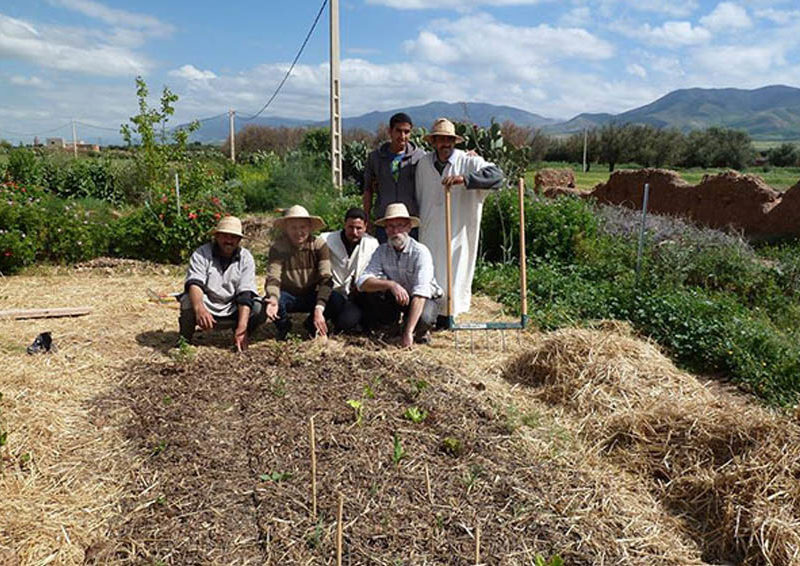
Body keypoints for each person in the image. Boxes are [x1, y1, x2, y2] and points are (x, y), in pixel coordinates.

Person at [415, 118, 504, 321]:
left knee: (455, 270)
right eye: (440, 139)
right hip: (430, 230)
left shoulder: (467, 161)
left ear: (455, 142)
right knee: (431, 271)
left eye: (449, 139)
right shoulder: (423, 164)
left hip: (458, 229)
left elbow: (497, 176)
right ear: (433, 142)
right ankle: (430, 315)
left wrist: (465, 179)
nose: (445, 144)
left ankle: (450, 314)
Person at [356, 203, 442, 348]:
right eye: (390, 226)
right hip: (398, 298)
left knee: (424, 319)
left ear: (409, 227)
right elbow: (362, 281)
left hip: (424, 298)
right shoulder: (381, 251)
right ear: (385, 229)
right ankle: (391, 327)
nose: (395, 231)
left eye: (400, 226)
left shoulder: (421, 252)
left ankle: (416, 330)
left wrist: (408, 332)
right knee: (372, 293)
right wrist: (391, 285)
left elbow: (421, 294)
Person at [264, 205, 352, 340]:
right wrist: (273, 299)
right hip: (288, 295)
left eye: (302, 227)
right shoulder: (278, 248)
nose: (298, 232)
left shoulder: (319, 245)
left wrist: (319, 307)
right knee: (271, 300)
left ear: (309, 228)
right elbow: (273, 277)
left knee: (336, 299)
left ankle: (311, 325)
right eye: (293, 227)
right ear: (286, 229)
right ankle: (284, 327)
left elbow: (326, 278)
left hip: (311, 293)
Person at [180, 215, 264, 351]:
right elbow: (194, 283)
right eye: (225, 236)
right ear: (217, 236)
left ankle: (241, 335)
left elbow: (245, 293)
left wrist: (242, 326)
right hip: (207, 303)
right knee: (187, 300)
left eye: (233, 237)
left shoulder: (246, 258)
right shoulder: (201, 253)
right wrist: (200, 308)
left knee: (258, 307)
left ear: (239, 240)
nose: (229, 240)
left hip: (232, 305)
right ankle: (184, 341)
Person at [363, 112, 425, 243]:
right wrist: (366, 217)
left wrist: (469, 155)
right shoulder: (375, 158)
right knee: (385, 259)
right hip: (385, 222)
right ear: (390, 131)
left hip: (410, 222)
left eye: (406, 132)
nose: (402, 136)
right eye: (398, 131)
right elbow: (368, 190)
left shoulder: (420, 158)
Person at [320, 207, 380, 329]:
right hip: (333, 293)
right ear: (344, 224)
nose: (354, 232)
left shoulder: (372, 244)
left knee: (348, 322)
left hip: (357, 295)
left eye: (359, 228)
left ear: (365, 227)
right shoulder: (326, 240)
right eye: (350, 227)